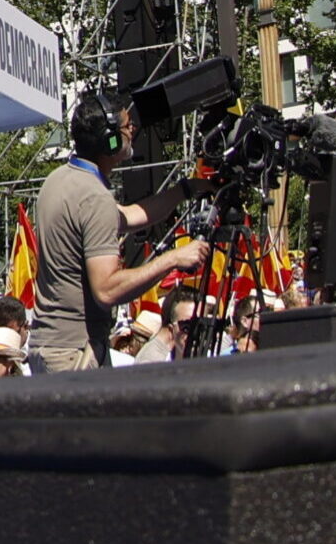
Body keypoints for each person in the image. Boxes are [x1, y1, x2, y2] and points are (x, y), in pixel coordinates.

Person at [29, 92, 208, 371]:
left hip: (51, 346)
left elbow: (127, 215)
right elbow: (107, 290)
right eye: (126, 126)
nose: (132, 130)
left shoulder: (60, 180)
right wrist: (174, 259)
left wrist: (187, 189)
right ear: (109, 139)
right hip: (74, 354)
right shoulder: (94, 197)